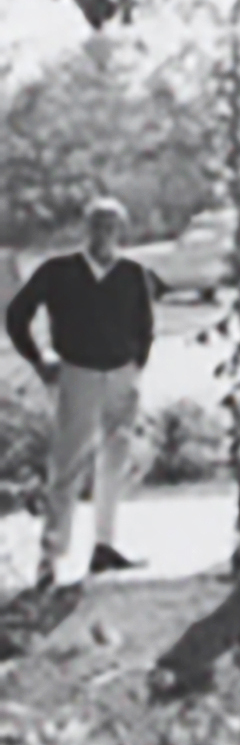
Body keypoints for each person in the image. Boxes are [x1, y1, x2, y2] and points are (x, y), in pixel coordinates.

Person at [6, 197, 154, 588]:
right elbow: (17, 314)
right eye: (98, 223)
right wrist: (39, 360)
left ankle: (104, 545)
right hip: (79, 371)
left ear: (121, 229)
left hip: (121, 373)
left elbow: (145, 322)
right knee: (68, 463)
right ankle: (51, 556)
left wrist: (137, 363)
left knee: (114, 460)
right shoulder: (60, 272)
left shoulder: (131, 272)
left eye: (112, 224)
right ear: (86, 228)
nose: (105, 232)